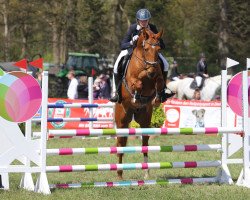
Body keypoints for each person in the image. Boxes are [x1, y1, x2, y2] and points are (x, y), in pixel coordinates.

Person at [110, 8, 174, 103]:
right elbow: (122, 45)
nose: (144, 22)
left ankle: (163, 89)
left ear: (148, 20)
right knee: (116, 66)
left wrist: (156, 43)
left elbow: (162, 44)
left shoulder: (152, 27)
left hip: (150, 53)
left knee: (166, 64)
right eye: (142, 20)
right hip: (133, 50)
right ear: (138, 20)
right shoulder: (132, 28)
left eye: (146, 20)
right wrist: (132, 42)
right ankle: (117, 92)